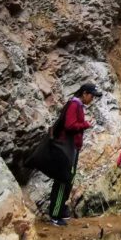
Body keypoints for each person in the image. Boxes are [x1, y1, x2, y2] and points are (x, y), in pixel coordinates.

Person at [48, 82, 101, 226]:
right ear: (84, 93)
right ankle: (54, 214)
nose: (92, 99)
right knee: (63, 181)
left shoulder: (77, 105)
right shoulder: (75, 105)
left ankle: (59, 210)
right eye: (92, 96)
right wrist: (86, 124)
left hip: (71, 149)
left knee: (67, 180)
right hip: (67, 149)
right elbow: (69, 125)